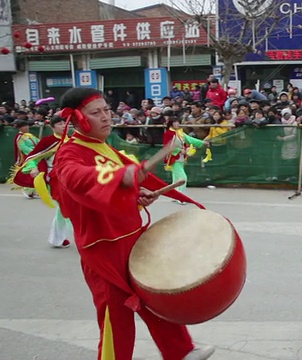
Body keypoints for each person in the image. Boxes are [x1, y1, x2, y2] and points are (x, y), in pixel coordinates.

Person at [48, 88, 215, 360]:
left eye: (106, 110)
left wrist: (136, 194)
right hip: (103, 247)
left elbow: (117, 191)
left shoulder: (104, 147)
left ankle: (180, 350)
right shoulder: (69, 153)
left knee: (153, 296)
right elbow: (78, 179)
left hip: (131, 238)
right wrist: (122, 176)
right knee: (116, 315)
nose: (105, 117)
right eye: (96, 112)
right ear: (78, 118)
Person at [9, 115, 73, 248]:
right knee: (66, 207)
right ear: (53, 127)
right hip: (55, 179)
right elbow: (32, 157)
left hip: (72, 177)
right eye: (60, 124)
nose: (63, 126)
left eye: (64, 123)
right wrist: (32, 168)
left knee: (66, 209)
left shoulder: (72, 140)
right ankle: (80, 237)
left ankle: (57, 239)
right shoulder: (48, 141)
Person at [163, 117, 210, 199]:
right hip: (174, 158)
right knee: (182, 178)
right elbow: (168, 146)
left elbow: (190, 139)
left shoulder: (180, 133)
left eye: (178, 122)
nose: (177, 124)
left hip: (180, 158)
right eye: (175, 122)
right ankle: (181, 197)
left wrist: (202, 143)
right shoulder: (169, 133)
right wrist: (180, 150)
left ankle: (175, 195)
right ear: (171, 124)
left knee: (176, 179)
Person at [13, 119, 40, 198]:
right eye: (24, 126)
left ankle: (34, 190)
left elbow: (38, 142)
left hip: (36, 156)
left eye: (27, 125)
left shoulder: (30, 135)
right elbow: (23, 147)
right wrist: (33, 153)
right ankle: (28, 190)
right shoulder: (19, 137)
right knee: (30, 173)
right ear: (20, 128)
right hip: (28, 158)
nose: (26, 127)